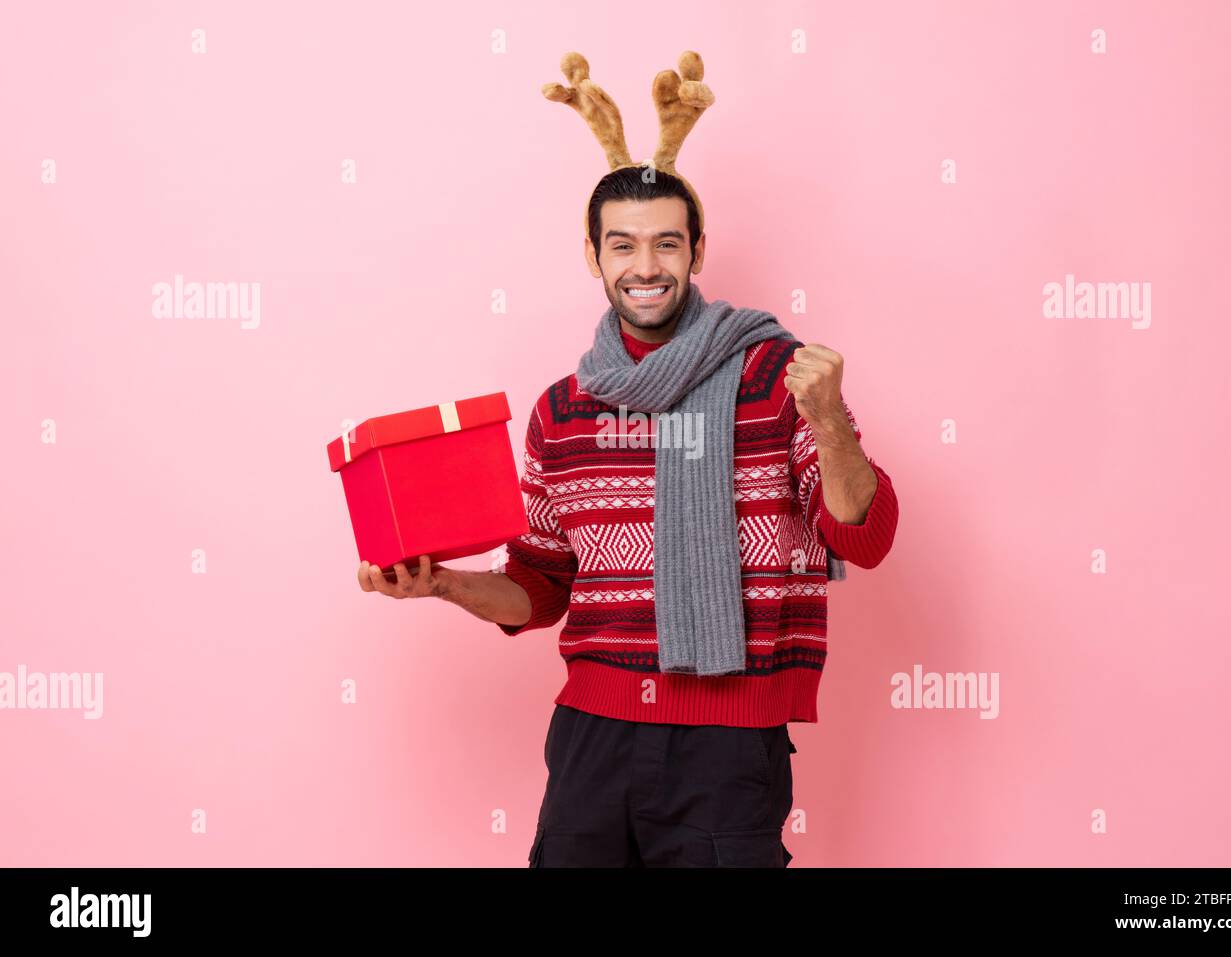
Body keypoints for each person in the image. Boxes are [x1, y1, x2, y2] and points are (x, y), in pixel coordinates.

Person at [356, 166, 899, 867]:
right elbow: (543, 583)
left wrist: (828, 419)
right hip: (592, 739)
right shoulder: (562, 410)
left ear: (697, 252)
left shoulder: (775, 378)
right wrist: (444, 583)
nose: (646, 267)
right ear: (593, 256)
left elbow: (866, 533)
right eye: (623, 245)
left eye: (667, 244)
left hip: (726, 744)